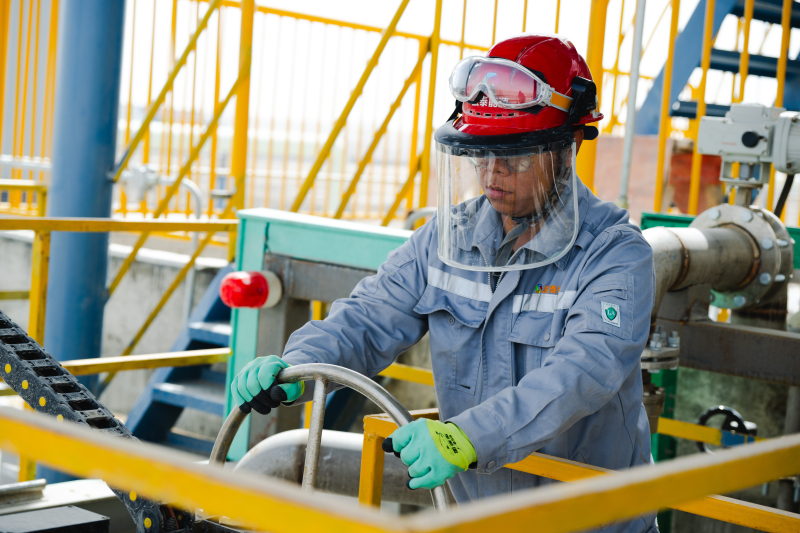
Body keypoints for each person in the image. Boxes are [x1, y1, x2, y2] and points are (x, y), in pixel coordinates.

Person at [232, 34, 656, 532]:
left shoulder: (613, 253)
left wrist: (469, 437)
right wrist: (297, 366)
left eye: (516, 157)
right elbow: (368, 318)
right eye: (480, 153)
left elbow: (582, 373)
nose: (492, 173)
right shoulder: (446, 238)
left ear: (569, 148)